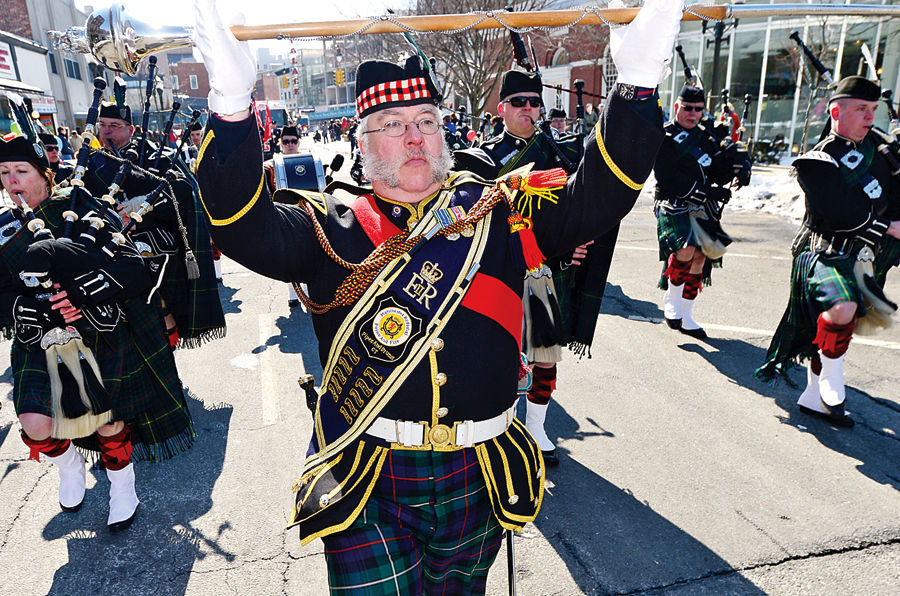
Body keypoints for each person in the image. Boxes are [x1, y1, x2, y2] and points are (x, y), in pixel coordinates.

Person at [192, 0, 680, 591]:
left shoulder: (501, 209)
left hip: (480, 470)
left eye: (425, 119)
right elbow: (238, 223)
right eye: (393, 125)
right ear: (365, 141)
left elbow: (599, 197)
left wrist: (635, 86)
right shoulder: (333, 227)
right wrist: (232, 107)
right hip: (367, 478)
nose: (414, 137)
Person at [0, 132, 194, 532]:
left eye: (21, 170)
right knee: (35, 424)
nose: (12, 180)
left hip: (99, 330)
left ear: (44, 174)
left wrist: (80, 296)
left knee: (108, 421)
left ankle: (122, 484)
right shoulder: (3, 228)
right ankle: (68, 463)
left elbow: (131, 266)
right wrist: (23, 306)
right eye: (4, 172)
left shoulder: (76, 204)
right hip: (36, 338)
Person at [454, 70, 611, 467]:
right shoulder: (482, 160)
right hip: (501, 269)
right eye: (519, 102)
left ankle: (537, 427)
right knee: (499, 356)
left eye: (534, 102)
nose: (528, 109)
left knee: (545, 356)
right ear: (501, 108)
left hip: (548, 272)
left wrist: (577, 239)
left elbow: (579, 205)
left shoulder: (558, 151)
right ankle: (502, 428)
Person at [756, 76, 900, 427]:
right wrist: (887, 227)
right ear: (836, 111)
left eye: (874, 110)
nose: (870, 117)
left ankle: (814, 396)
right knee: (843, 308)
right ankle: (832, 380)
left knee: (843, 321)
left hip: (866, 257)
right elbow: (838, 212)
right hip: (824, 254)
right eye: (862, 109)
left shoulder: (883, 153)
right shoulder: (816, 160)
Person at [653, 84, 751, 338]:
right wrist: (708, 192)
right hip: (672, 201)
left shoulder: (707, 137)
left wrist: (738, 162)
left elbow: (717, 173)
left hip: (701, 204)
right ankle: (672, 301)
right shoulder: (663, 137)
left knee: (701, 255)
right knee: (686, 248)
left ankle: (686, 314)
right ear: (677, 107)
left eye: (697, 109)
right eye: (687, 108)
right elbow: (667, 178)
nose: (692, 113)